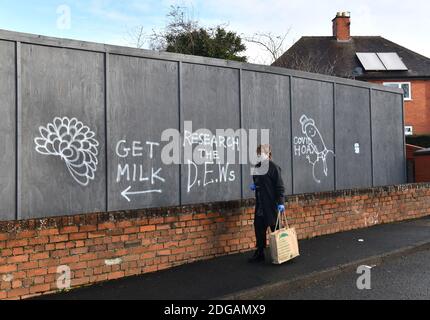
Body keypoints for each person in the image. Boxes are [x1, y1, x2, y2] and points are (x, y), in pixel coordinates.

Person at [248, 144, 286, 263]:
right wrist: (255, 186)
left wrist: (281, 203)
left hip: (271, 206)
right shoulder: (257, 167)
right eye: (258, 153)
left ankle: (281, 253)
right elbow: (257, 181)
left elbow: (280, 187)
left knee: (276, 229)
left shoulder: (274, 168)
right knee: (259, 229)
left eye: (261, 153)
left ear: (267, 153)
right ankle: (260, 253)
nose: (259, 156)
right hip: (260, 205)